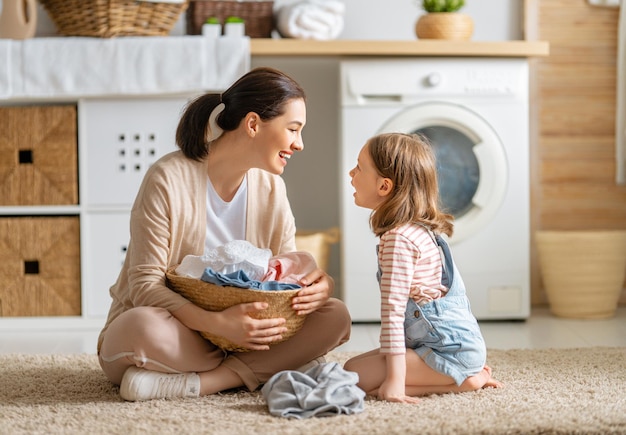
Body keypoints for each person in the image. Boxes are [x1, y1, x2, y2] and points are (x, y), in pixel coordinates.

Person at [97, 67, 352, 401]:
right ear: (252, 124)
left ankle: (206, 382)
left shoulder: (271, 187)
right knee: (142, 328)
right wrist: (216, 324)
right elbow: (145, 285)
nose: (299, 144)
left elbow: (287, 273)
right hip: (179, 330)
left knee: (335, 315)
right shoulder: (168, 178)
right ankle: (268, 367)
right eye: (293, 129)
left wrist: (319, 287)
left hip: (246, 336)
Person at [343, 132, 502, 404]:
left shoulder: (399, 240)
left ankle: (466, 382)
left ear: (384, 186)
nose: (351, 172)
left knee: (353, 376)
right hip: (452, 348)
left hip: (448, 354)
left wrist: (394, 380)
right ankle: (461, 376)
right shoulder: (418, 232)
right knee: (351, 371)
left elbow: (393, 313)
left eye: (359, 167)